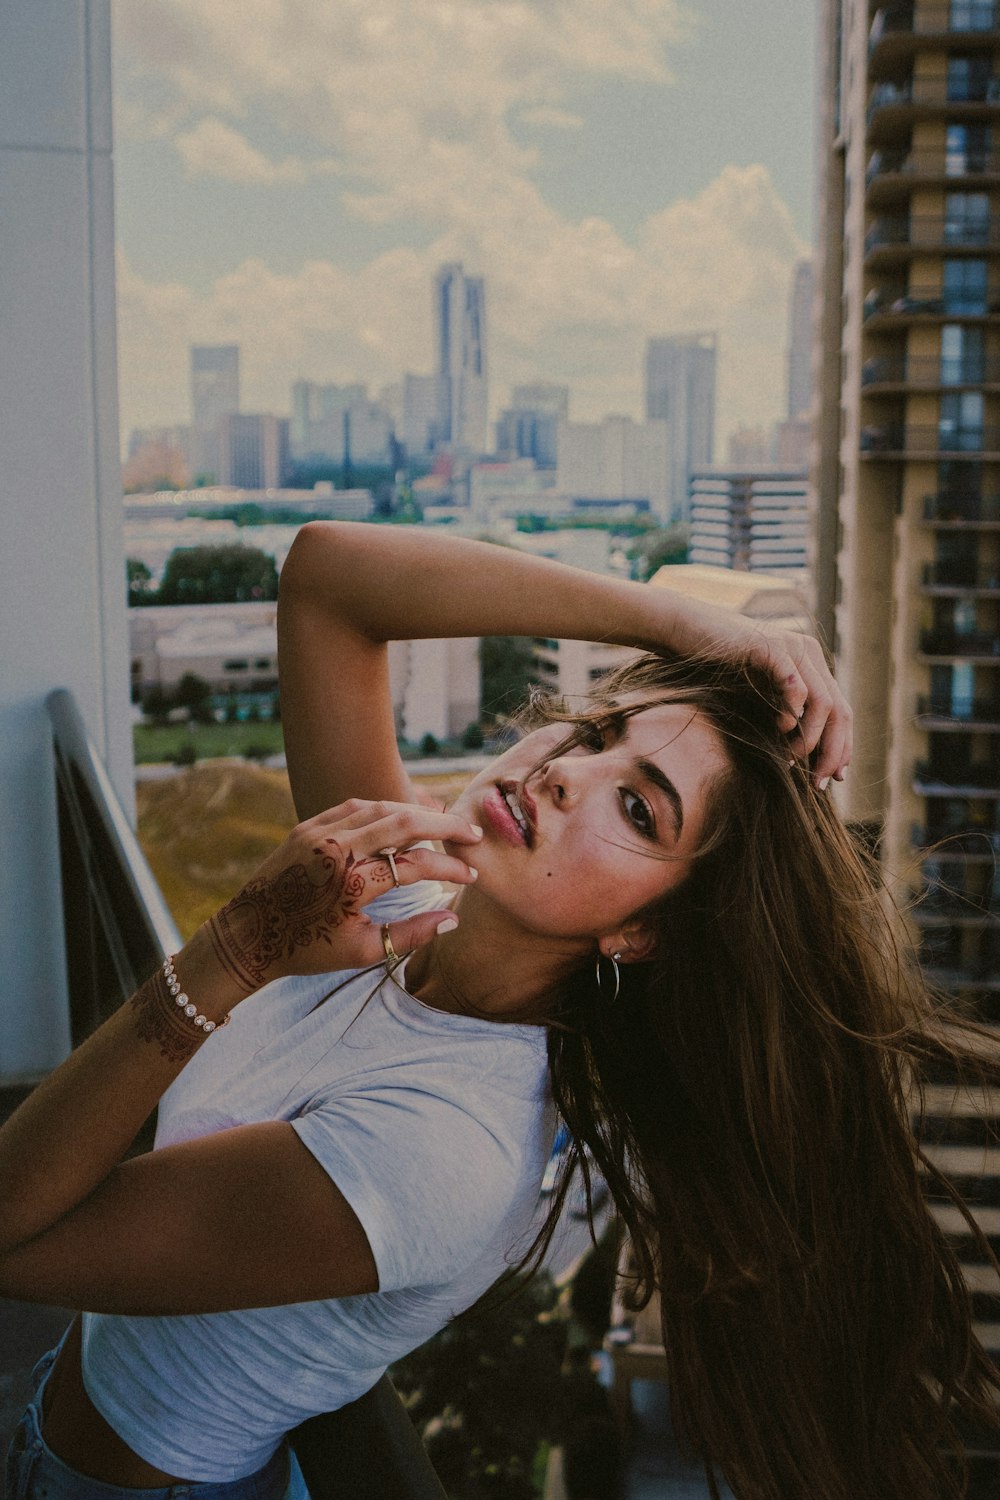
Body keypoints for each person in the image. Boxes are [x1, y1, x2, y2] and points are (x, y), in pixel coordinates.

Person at [1, 522, 996, 1500]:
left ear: (642, 935)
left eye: (638, 808)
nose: (566, 770)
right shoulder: (406, 907)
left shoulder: (449, 1148)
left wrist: (237, 948)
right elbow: (329, 579)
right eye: (599, 734)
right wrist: (681, 622)